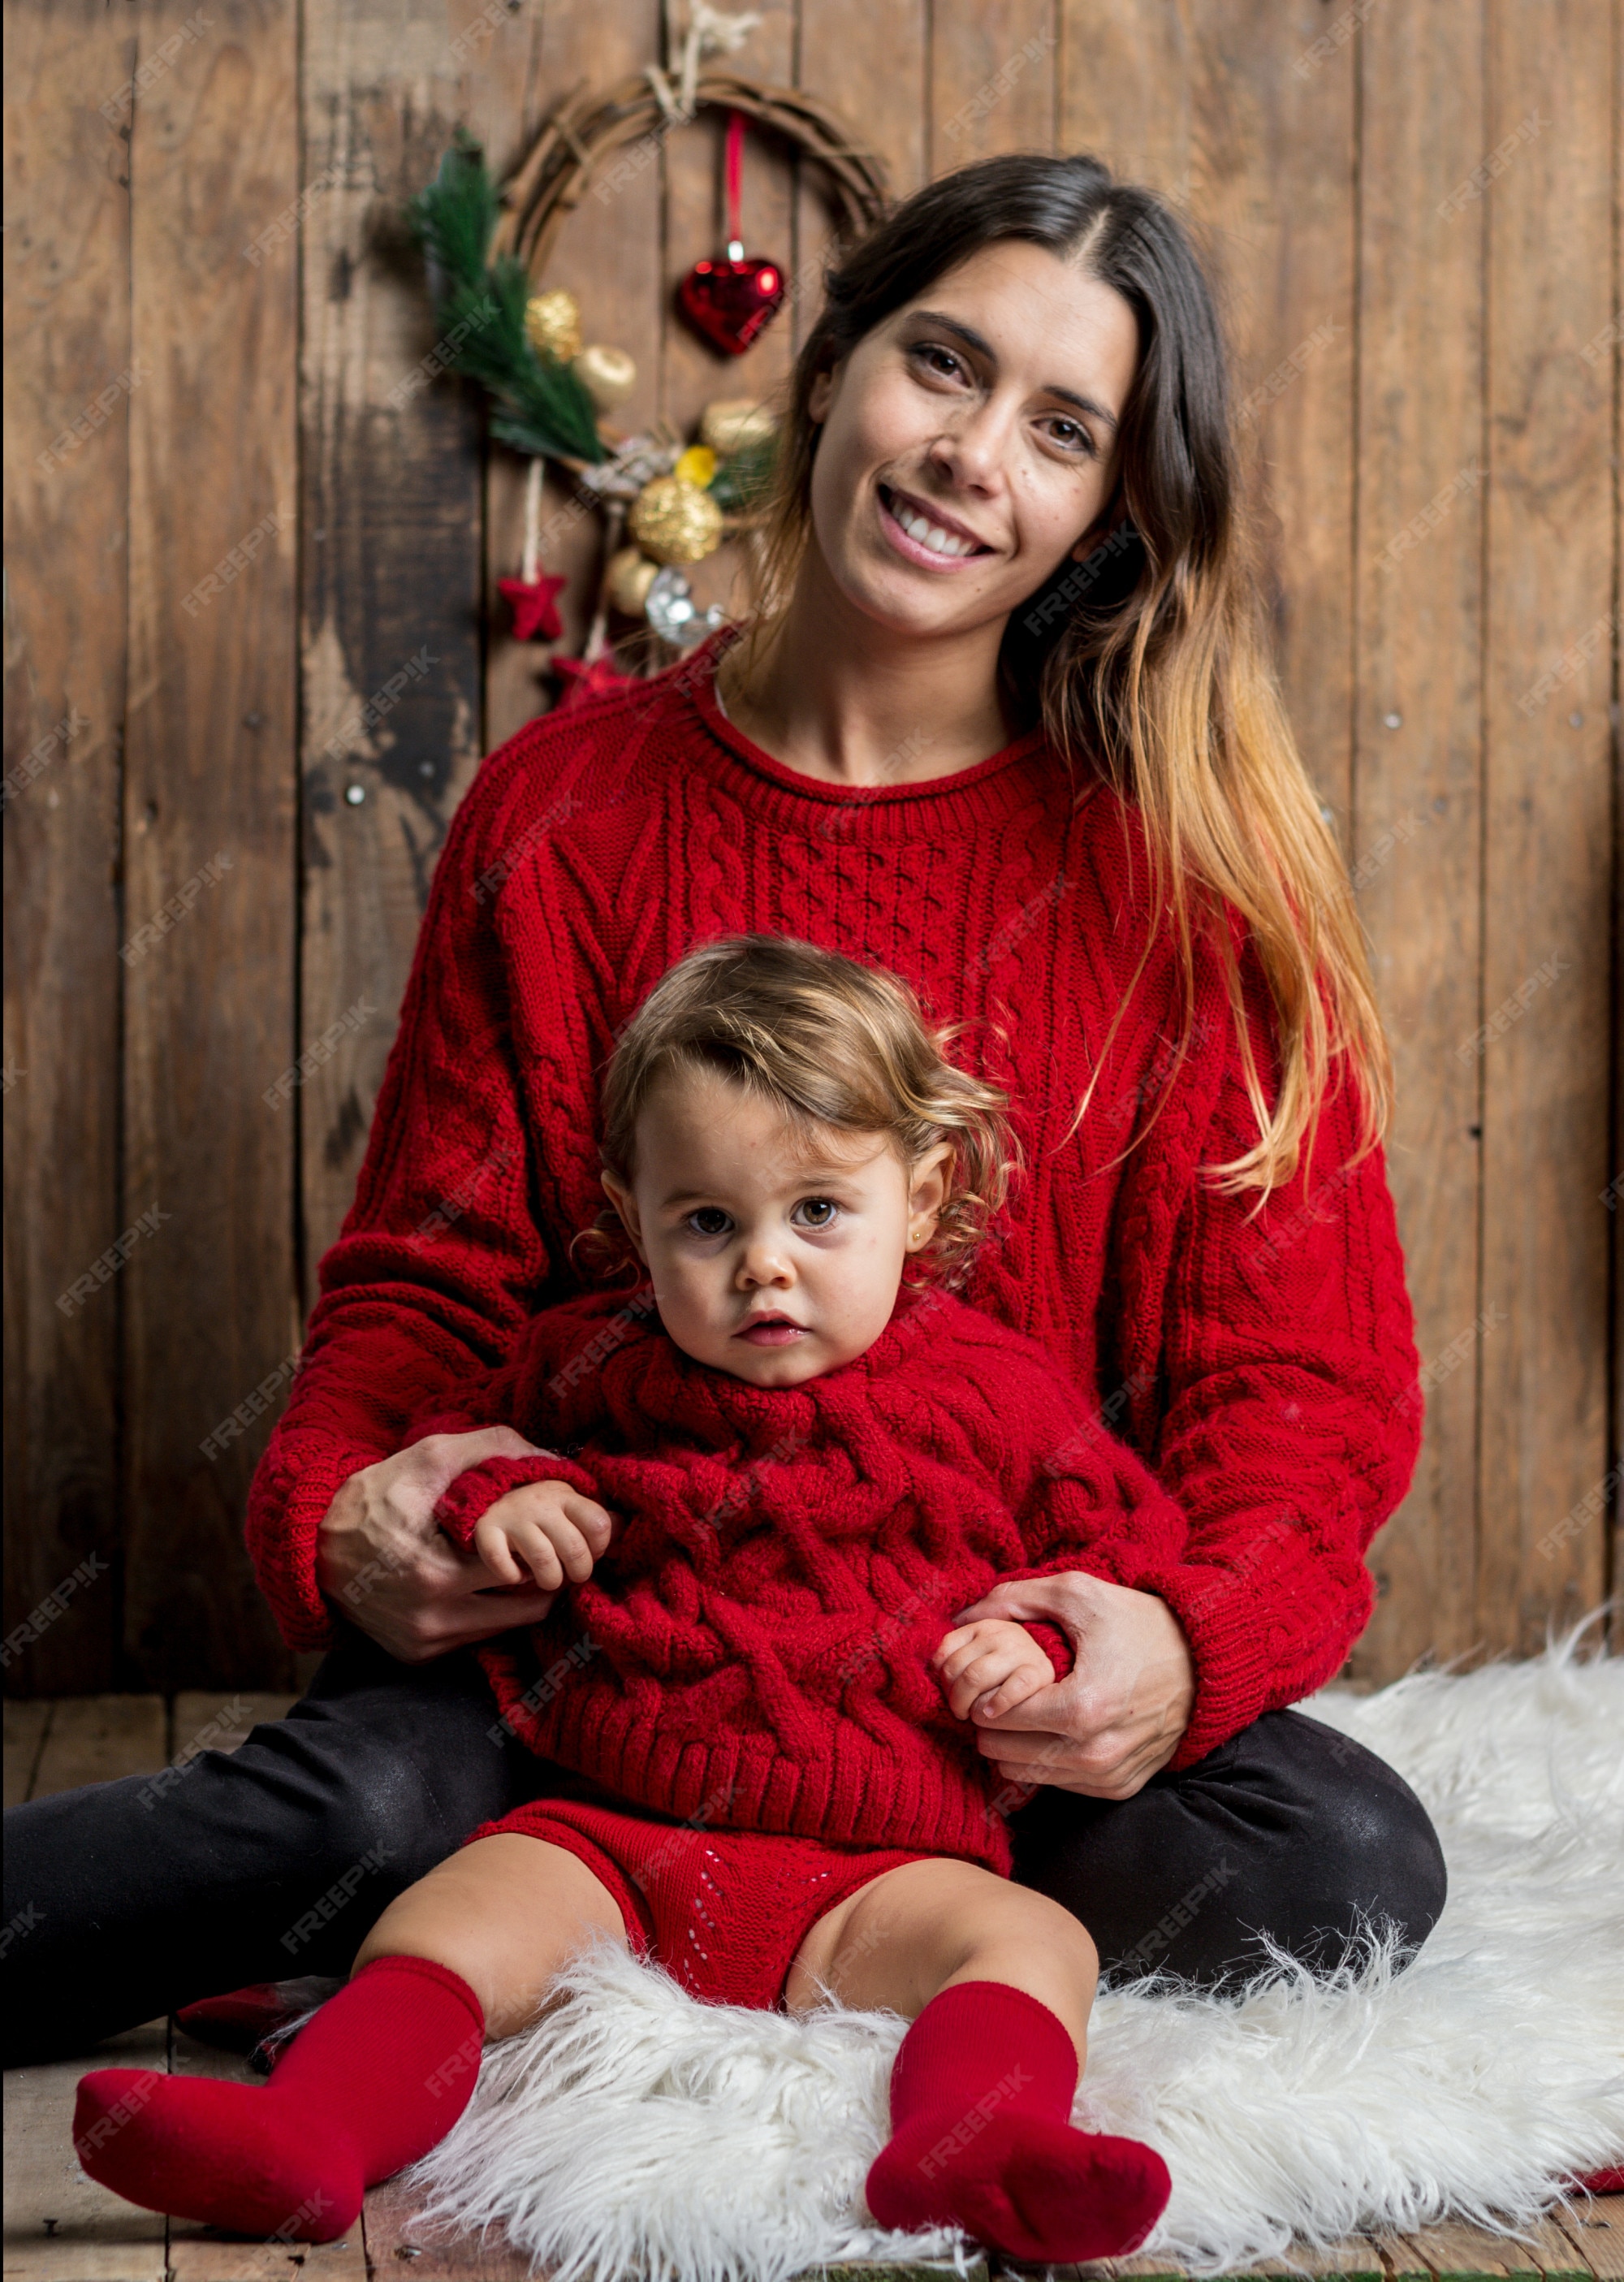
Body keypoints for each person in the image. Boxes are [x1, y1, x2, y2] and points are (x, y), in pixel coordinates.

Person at [2, 148, 1446, 2073]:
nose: (967, 454)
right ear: (835, 364)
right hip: (607, 1655)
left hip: (954, 1704)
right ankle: (594, 1878)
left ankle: (636, 1913)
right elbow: (421, 1298)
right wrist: (348, 1509)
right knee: (355, 1809)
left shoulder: (1189, 886)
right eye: (941, 365)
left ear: (1108, 512)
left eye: (1059, 427)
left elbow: (1306, 1407)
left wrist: (1179, 1648)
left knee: (1340, 1855)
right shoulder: (563, 816)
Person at [76, 933, 1212, 2262]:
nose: (764, 1265)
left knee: (1034, 1942)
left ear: (925, 1187)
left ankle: (970, 2145)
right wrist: (490, 1503)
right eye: (708, 1221)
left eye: (820, 1211)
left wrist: (1033, 1640)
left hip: (884, 1871)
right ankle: (310, 2132)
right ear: (632, 1218)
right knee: (444, 1924)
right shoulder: (587, 1362)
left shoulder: (998, 1393)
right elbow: (458, 1434)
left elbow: (1129, 1554)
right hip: (615, 1841)